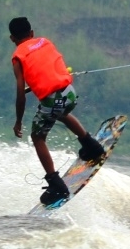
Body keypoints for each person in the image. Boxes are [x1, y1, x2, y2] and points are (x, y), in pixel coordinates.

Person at [9, 17, 105, 206]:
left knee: (38, 137)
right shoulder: (45, 42)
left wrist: (18, 121)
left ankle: (56, 184)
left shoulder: (18, 57)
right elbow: (46, 71)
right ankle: (91, 146)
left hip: (53, 100)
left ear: (12, 38)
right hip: (70, 94)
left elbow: (20, 93)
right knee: (60, 112)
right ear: (32, 33)